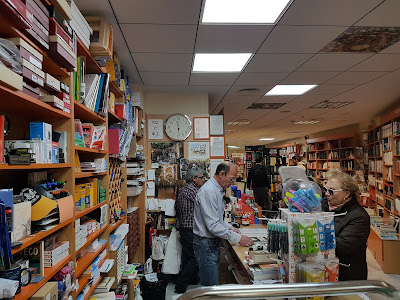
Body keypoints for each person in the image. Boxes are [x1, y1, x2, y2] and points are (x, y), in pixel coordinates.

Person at [193, 162, 254, 286]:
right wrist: (238, 238)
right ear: (221, 174)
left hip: (209, 242)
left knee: (212, 283)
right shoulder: (209, 191)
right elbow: (213, 225)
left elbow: (217, 219)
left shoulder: (216, 189)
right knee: (211, 287)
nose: (232, 183)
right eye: (231, 179)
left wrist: (230, 227)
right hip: (206, 243)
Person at [323, 168, 370, 281]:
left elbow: (344, 247)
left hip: (346, 274)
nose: (327, 194)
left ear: (347, 193)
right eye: (326, 189)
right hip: (323, 269)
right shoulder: (323, 204)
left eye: (332, 191)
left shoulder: (359, 216)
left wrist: (316, 233)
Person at [174, 167, 205, 293]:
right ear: (194, 178)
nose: (203, 180)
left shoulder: (183, 189)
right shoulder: (193, 190)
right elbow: (204, 205)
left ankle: (189, 280)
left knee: (188, 257)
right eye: (201, 177)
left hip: (185, 228)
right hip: (189, 229)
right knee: (196, 258)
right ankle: (181, 284)